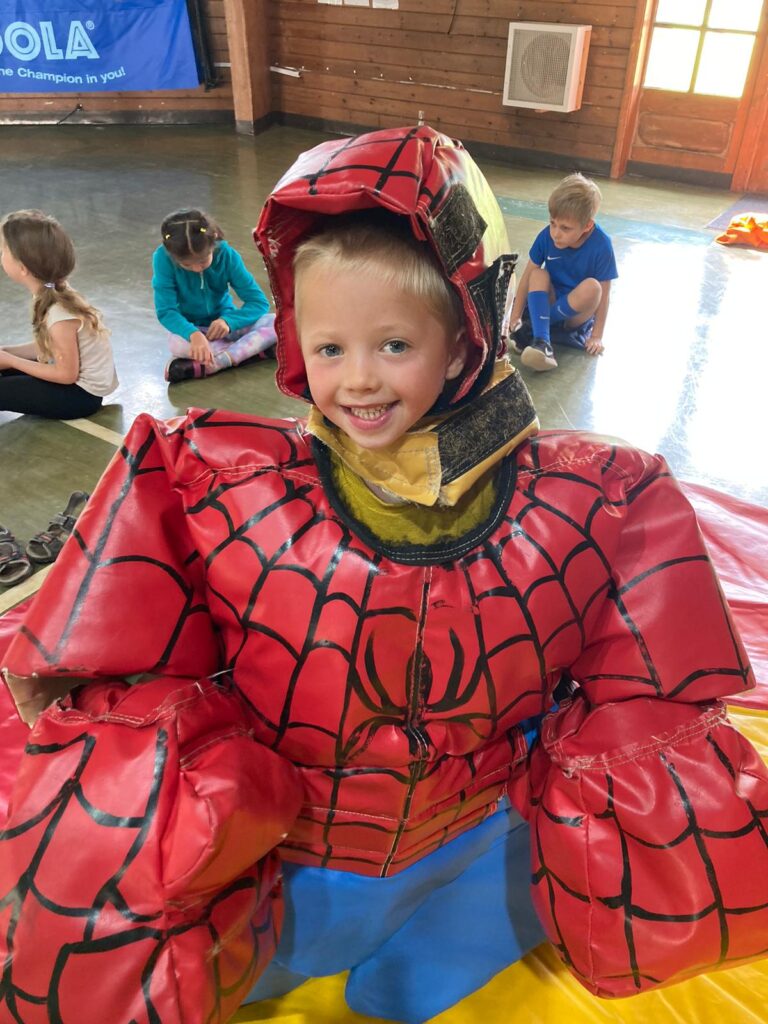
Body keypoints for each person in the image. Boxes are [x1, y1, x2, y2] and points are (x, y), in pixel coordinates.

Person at [1, 127, 766, 1024]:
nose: (358, 380)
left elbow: (652, 702)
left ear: (463, 337)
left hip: (475, 833)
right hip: (296, 843)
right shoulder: (213, 481)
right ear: (294, 341)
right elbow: (86, 675)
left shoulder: (595, 499)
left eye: (394, 345)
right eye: (330, 349)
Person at [0, 210, 118, 418]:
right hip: (73, 385)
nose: (1, 255)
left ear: (23, 267)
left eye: (3, 250)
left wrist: (11, 360)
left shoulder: (59, 313)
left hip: (79, 397)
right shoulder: (53, 289)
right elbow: (54, 346)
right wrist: (8, 352)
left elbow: (66, 374)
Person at [507, 172, 618, 371]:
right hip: (550, 299)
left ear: (587, 226)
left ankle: (533, 329)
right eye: (553, 223)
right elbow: (526, 279)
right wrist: (514, 317)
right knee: (537, 274)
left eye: (565, 228)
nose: (556, 233)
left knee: (593, 287)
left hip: (575, 314)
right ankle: (543, 342)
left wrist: (597, 336)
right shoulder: (546, 237)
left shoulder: (602, 245)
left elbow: (605, 294)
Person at [153, 208, 276, 383]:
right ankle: (251, 352)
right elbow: (166, 312)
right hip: (192, 330)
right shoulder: (163, 259)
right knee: (177, 344)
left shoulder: (226, 255)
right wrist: (193, 334)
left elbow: (258, 302)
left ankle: (213, 362)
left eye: (203, 261)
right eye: (187, 264)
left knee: (277, 323)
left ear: (214, 243)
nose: (197, 268)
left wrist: (228, 321)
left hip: (226, 326)